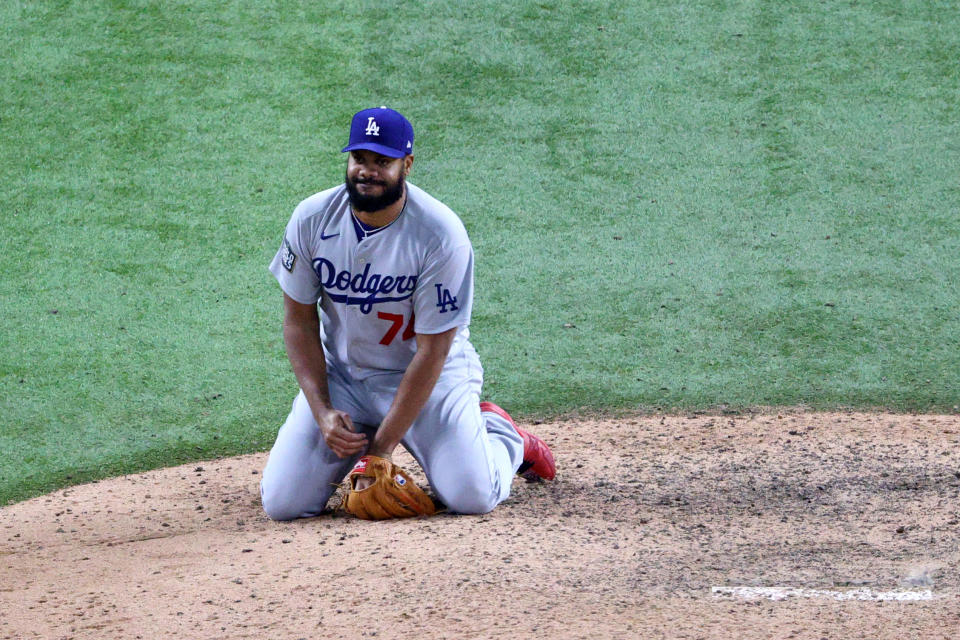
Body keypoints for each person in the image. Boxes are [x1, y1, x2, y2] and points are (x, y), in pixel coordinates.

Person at [260, 106, 555, 520]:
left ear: (407, 165)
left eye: (383, 161)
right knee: (282, 504)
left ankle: (504, 436)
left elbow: (433, 351)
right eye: (360, 159)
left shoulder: (440, 235)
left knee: (471, 496)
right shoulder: (311, 219)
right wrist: (323, 410)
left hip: (429, 380)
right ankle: (355, 430)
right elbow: (298, 322)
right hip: (345, 380)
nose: (368, 171)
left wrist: (380, 451)